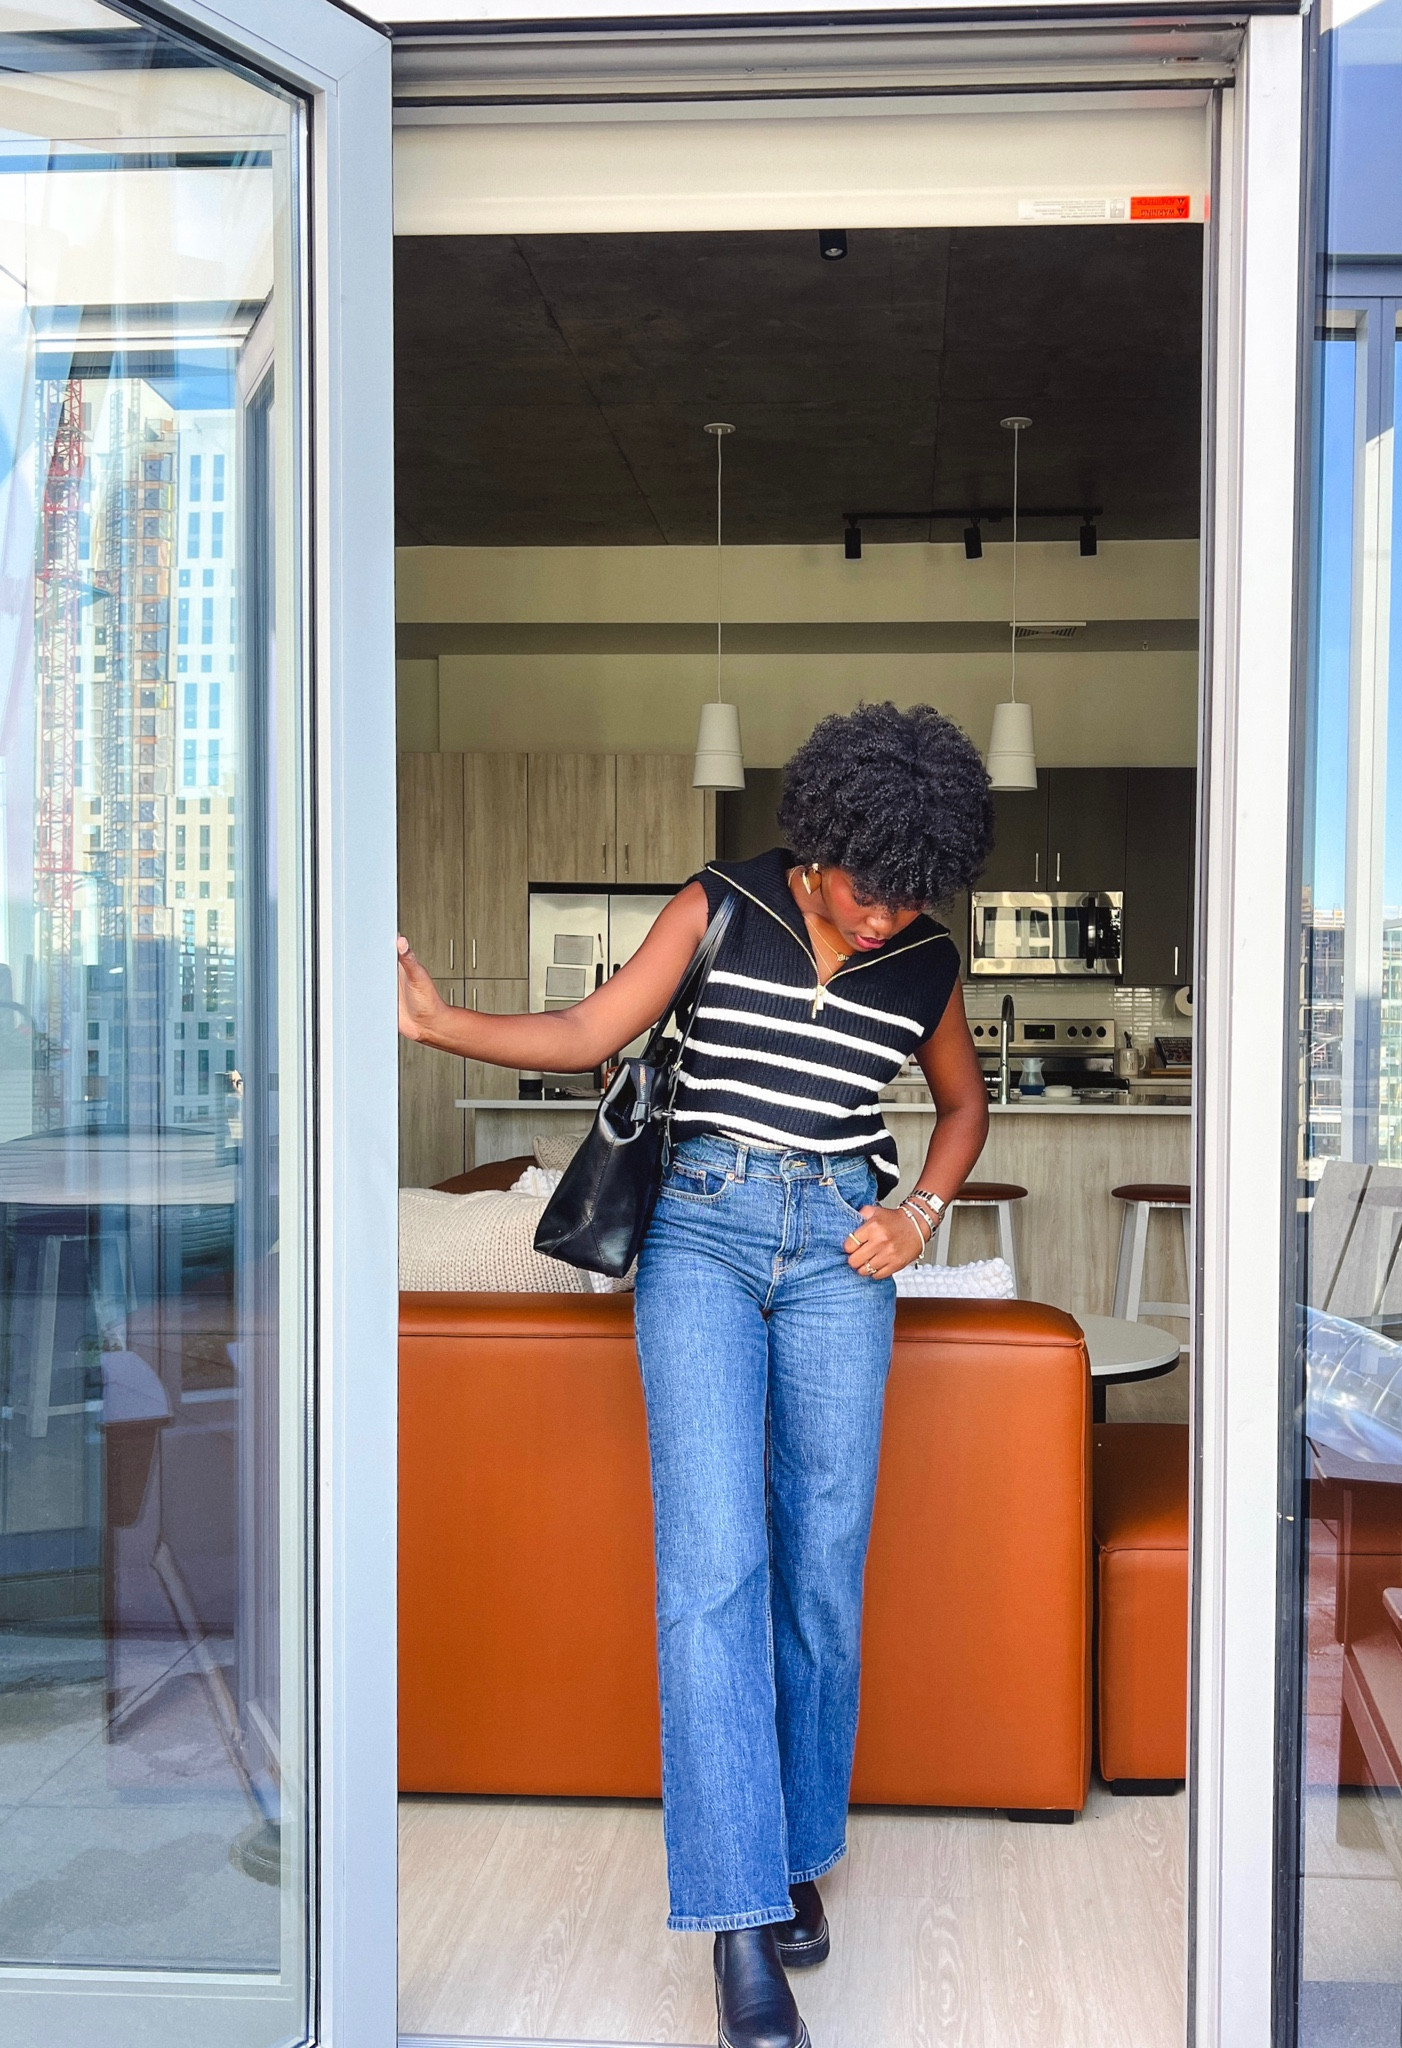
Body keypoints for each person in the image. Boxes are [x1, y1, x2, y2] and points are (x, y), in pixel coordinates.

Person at [397, 702, 994, 2048]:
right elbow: (584, 1030)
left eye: (910, 894)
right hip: (703, 1242)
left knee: (824, 1561)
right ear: (817, 845)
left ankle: (791, 1852)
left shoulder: (927, 961)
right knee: (714, 1568)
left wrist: (919, 1216)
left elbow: (959, 1107)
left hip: (844, 1249)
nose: (884, 914)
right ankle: (738, 1927)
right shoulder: (719, 904)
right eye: (864, 887)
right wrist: (437, 1025)